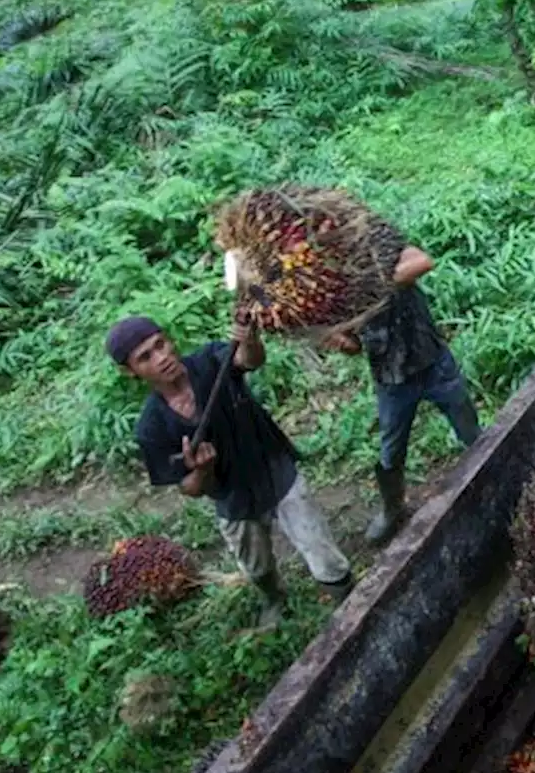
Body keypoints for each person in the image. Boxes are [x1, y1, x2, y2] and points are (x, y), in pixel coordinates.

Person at [106, 313, 355, 627]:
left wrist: (249, 339)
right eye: (146, 357)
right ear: (130, 371)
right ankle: (274, 598)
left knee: (319, 546)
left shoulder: (210, 360)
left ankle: (346, 600)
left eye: (161, 344)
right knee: (256, 565)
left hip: (274, 469)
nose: (162, 357)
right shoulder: (152, 428)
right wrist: (203, 471)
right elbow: (190, 488)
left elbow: (249, 360)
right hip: (232, 498)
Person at [319, 245, 482, 546]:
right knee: (391, 450)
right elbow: (354, 346)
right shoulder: (336, 295)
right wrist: (342, 340)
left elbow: (423, 261)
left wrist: (370, 286)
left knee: (469, 427)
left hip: (432, 362)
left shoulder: (382, 250)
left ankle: (490, 474)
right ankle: (393, 508)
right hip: (392, 380)